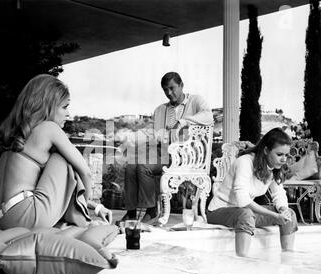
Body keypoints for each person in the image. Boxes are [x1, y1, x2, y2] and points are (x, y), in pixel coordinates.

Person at [0, 74, 112, 230]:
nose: (68, 114)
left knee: (60, 163)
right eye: (65, 107)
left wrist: (97, 207)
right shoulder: (49, 128)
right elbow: (85, 173)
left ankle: (73, 222)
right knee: (64, 160)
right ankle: (83, 223)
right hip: (24, 217)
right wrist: (87, 211)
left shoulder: (16, 132)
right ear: (47, 105)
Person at [121, 72, 213, 224]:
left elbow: (208, 117)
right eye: (165, 90)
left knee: (144, 166)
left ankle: (151, 210)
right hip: (162, 152)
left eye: (172, 88)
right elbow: (151, 133)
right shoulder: (160, 110)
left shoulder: (196, 100)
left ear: (181, 85)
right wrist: (129, 139)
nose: (169, 93)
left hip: (185, 156)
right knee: (131, 165)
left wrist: (183, 121)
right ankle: (131, 212)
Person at [207, 128, 298, 257]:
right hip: (219, 211)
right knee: (246, 214)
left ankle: (287, 258)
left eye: (286, 155)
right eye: (279, 155)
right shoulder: (245, 162)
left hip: (244, 212)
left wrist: (283, 210)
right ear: (266, 150)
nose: (284, 159)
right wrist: (275, 216)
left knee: (290, 215)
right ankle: (243, 261)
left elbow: (279, 194)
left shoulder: (273, 168)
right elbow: (242, 200)